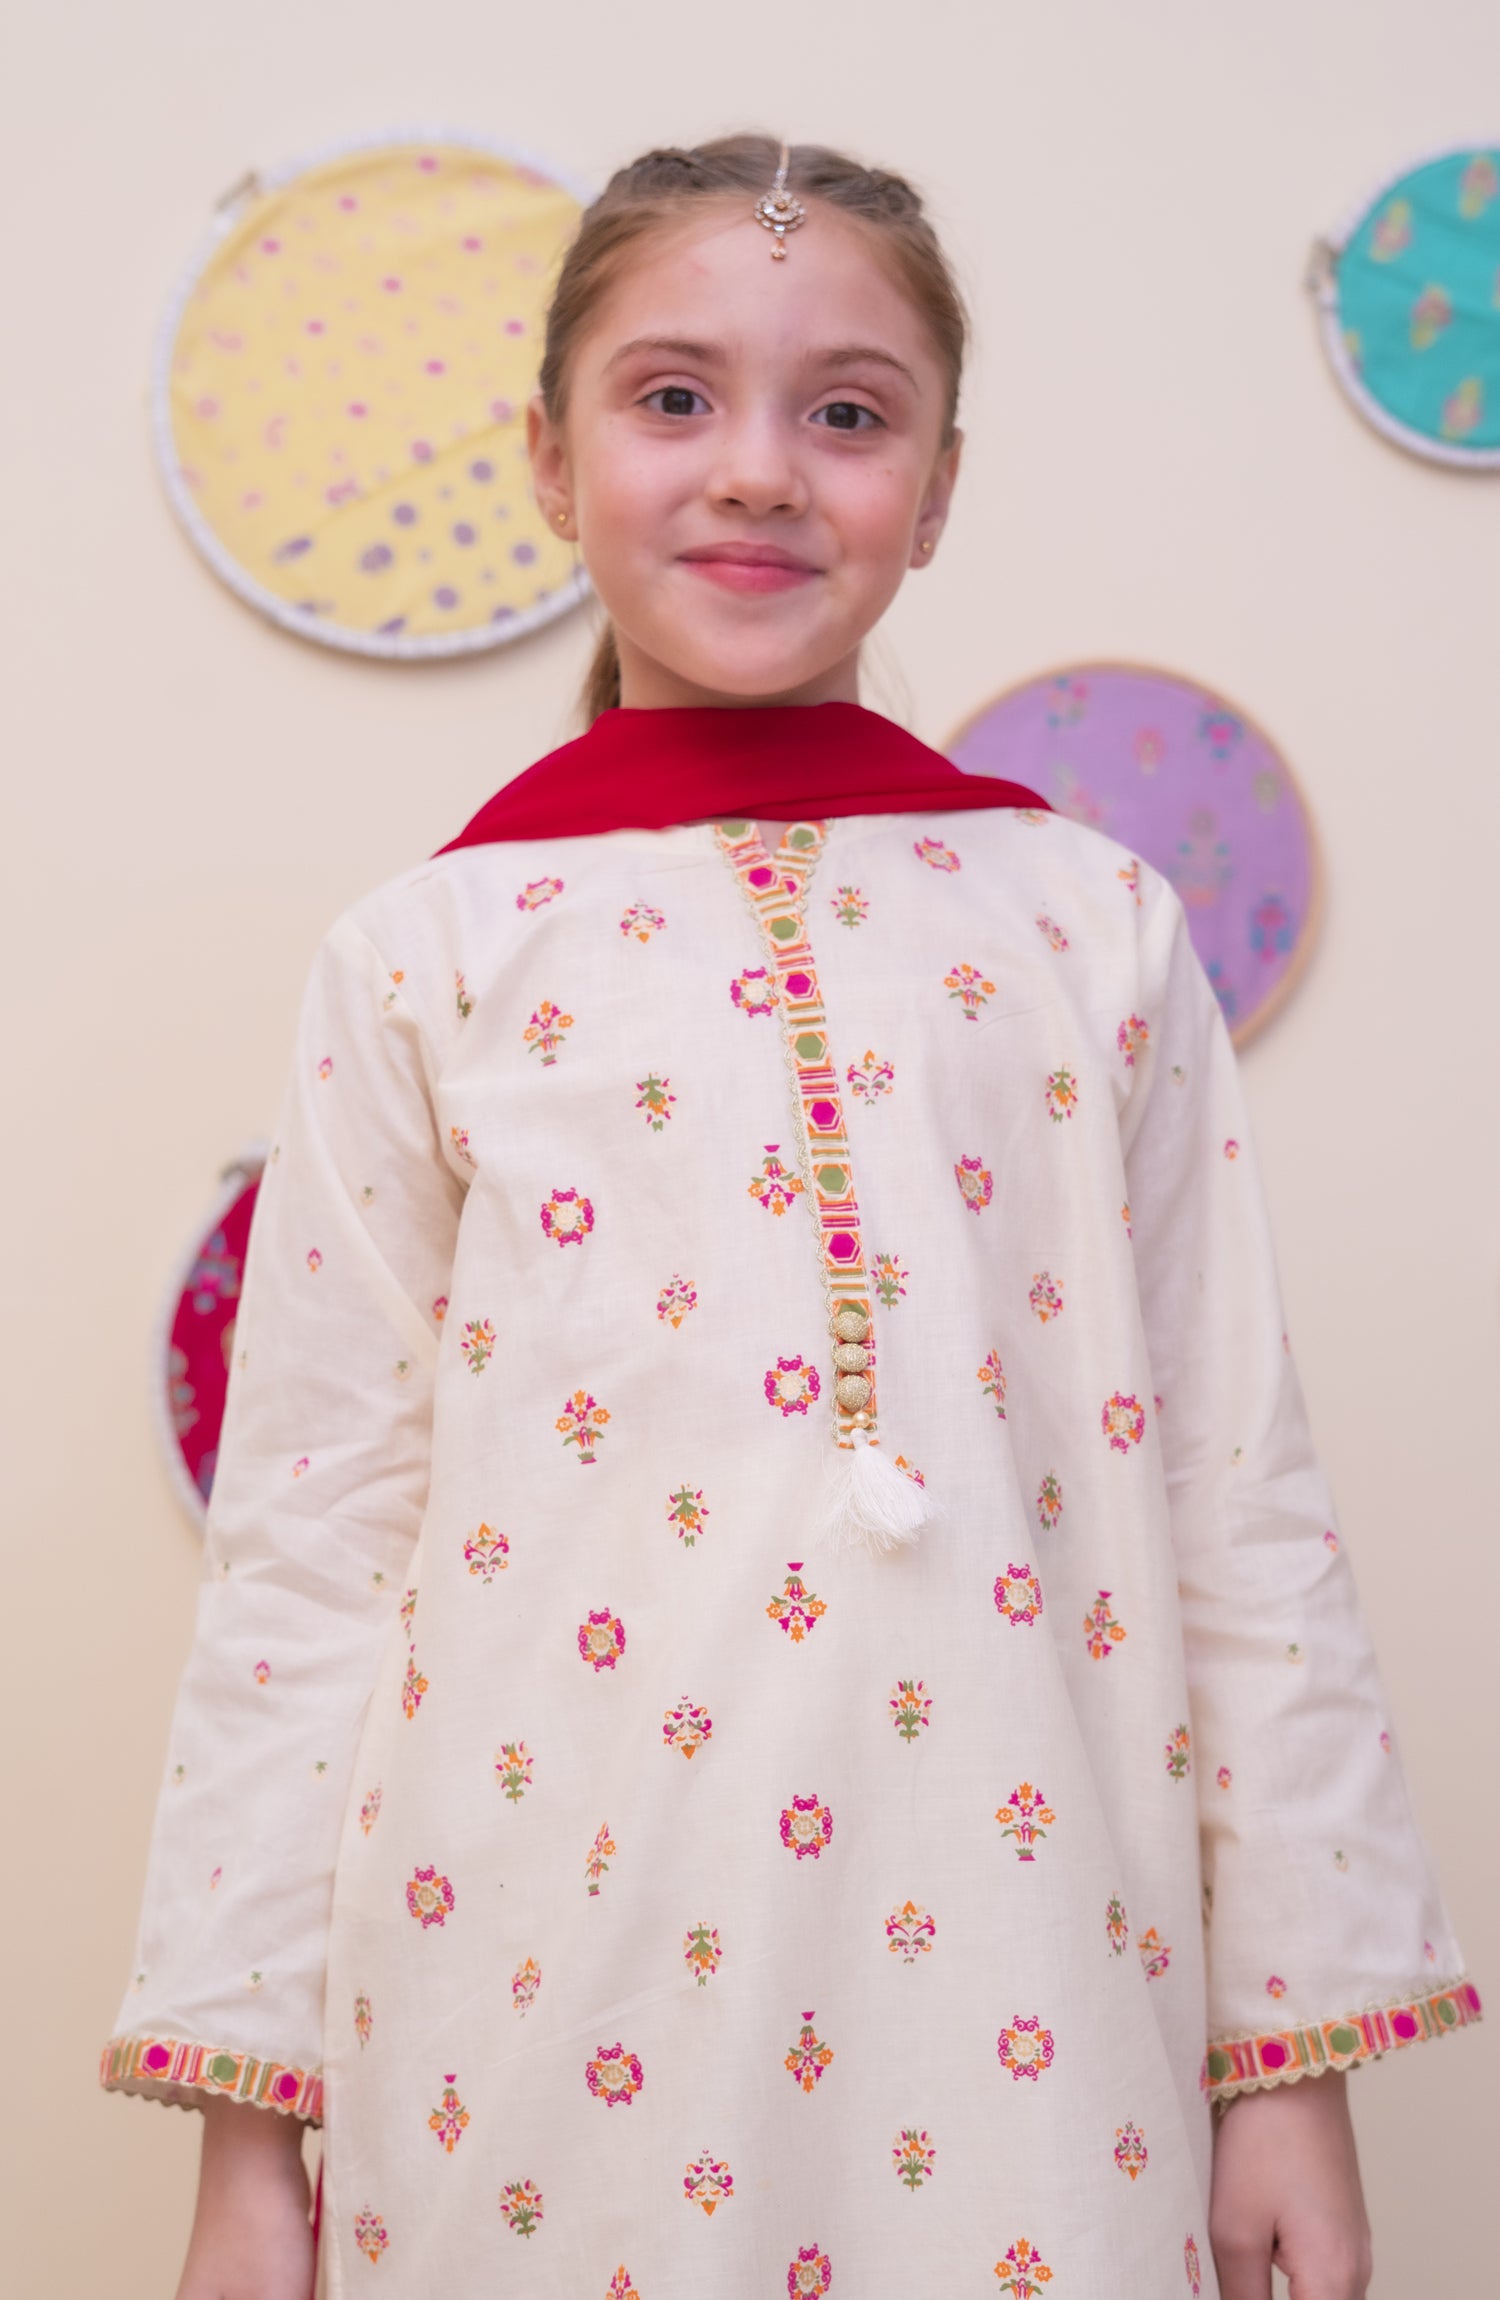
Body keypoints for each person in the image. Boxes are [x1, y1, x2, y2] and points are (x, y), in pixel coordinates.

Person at [102, 135, 1478, 2300]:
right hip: (523, 2030)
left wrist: (1288, 2069)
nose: (758, 469)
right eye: (673, 397)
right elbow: (310, 1561)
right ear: (547, 459)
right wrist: (247, 2145)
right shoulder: (428, 959)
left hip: (1039, 2010)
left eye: (846, 411)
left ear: (936, 491)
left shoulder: (1089, 927)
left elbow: (1240, 1503)